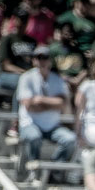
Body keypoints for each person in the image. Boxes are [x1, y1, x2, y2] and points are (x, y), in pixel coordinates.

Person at [16, 46, 77, 174]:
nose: (42, 61)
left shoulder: (57, 79)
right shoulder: (26, 78)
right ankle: (34, 173)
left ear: (50, 60)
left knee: (70, 139)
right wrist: (52, 103)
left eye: (45, 57)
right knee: (34, 137)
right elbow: (28, 105)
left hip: (52, 126)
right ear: (34, 60)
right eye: (39, 57)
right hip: (30, 124)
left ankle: (52, 171)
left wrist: (39, 100)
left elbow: (63, 104)